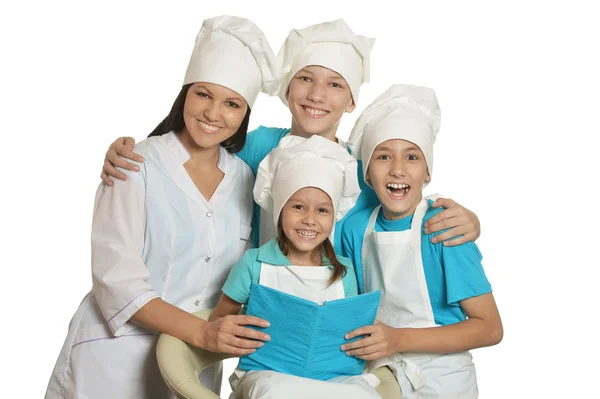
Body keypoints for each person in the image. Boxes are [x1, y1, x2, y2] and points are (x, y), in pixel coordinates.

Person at [44, 15, 279, 399]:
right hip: (115, 359)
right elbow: (116, 279)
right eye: (203, 94)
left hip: (194, 365)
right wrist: (201, 331)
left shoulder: (247, 179)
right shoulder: (135, 164)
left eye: (232, 103)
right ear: (184, 93)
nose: (213, 113)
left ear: (245, 115)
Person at [97, 19, 481, 250]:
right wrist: (130, 149)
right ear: (286, 89)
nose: (316, 95)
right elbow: (196, 146)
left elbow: (405, 205)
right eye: (305, 79)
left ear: (351, 101)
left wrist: (469, 221)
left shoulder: (366, 168)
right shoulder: (258, 146)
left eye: (334, 85)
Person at [339, 84, 503, 398]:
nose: (398, 169)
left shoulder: (444, 226)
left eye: (412, 157)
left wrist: (398, 339)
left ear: (427, 172)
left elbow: (490, 327)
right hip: (381, 374)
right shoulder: (355, 229)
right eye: (383, 156)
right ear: (368, 174)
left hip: (444, 380)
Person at [211, 134, 381, 399]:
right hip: (268, 374)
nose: (310, 220)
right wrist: (244, 335)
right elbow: (219, 321)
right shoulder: (253, 263)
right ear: (280, 209)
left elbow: (349, 332)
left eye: (322, 211)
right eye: (298, 206)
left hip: (334, 378)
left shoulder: (343, 271)